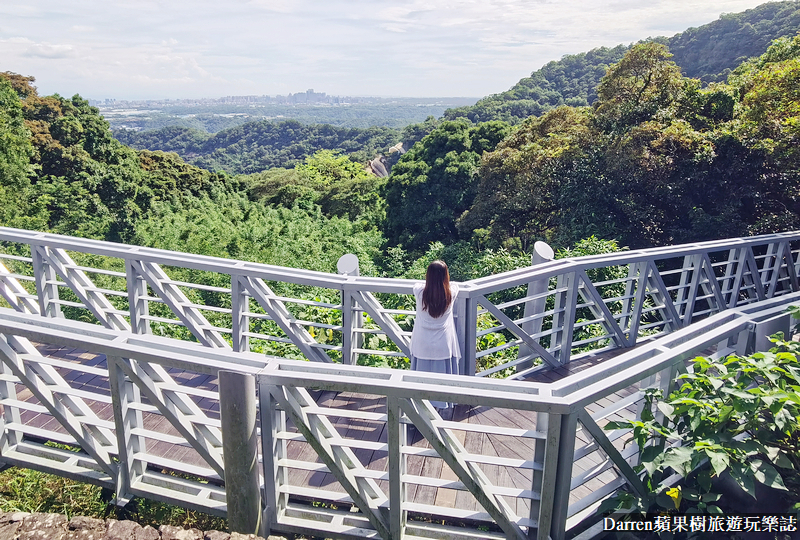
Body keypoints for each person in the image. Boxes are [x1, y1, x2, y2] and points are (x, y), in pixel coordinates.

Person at [410, 260, 460, 409]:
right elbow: (455, 285)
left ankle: (420, 406)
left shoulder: (419, 292)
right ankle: (440, 405)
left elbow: (417, 284)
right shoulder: (451, 293)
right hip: (443, 344)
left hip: (422, 343)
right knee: (441, 379)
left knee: (420, 380)